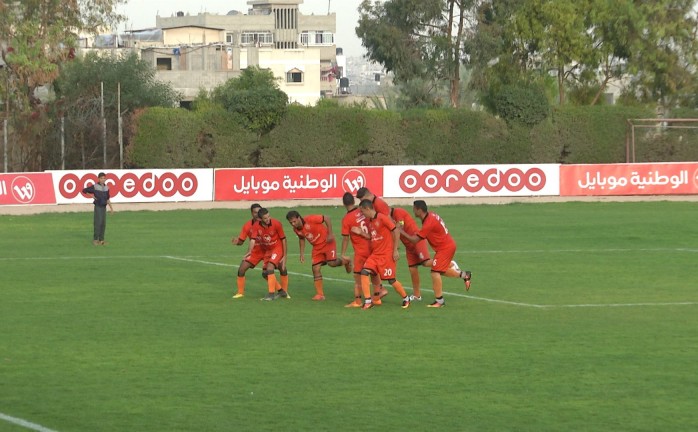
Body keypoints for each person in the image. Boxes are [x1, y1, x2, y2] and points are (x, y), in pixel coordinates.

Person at [398, 200, 472, 308]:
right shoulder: (431, 216)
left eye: (414, 209)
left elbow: (414, 240)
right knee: (439, 270)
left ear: (419, 210)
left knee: (435, 272)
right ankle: (465, 275)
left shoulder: (428, 222)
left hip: (445, 248)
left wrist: (401, 231)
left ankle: (440, 301)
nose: (413, 211)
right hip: (446, 246)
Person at [354, 199, 411, 310]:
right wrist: (361, 233)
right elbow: (373, 237)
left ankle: (406, 298)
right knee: (364, 272)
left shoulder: (382, 218)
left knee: (391, 280)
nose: (362, 214)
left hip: (386, 255)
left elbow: (396, 230)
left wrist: (395, 250)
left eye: (363, 212)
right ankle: (368, 301)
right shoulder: (370, 221)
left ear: (368, 208)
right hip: (375, 255)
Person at [286, 210, 351, 301]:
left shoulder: (310, 219)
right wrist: (302, 253)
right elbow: (301, 239)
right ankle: (320, 295)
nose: (293, 224)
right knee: (315, 268)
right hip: (317, 248)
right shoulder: (296, 230)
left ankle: (346, 261)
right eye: (291, 223)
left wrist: (330, 233)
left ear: (299, 217)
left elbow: (327, 218)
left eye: (294, 221)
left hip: (327, 242)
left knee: (332, 263)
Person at [231, 204, 289, 299]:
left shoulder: (274, 223)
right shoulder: (251, 226)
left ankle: (281, 292)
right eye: (255, 212)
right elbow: (246, 240)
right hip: (257, 251)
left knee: (280, 268)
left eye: (259, 212)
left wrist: (284, 255)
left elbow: (282, 238)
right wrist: (239, 243)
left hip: (270, 249)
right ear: (252, 213)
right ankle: (240, 293)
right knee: (243, 269)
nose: (257, 215)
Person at [340, 192, 384, 308]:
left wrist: (343, 253)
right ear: (354, 202)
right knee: (374, 273)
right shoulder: (363, 211)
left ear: (344, 203)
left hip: (361, 251)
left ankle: (358, 301)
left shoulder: (346, 219)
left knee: (357, 276)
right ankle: (377, 299)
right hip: (373, 246)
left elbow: (345, 238)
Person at [390, 206, 432, 301]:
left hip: (417, 241)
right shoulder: (389, 217)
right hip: (408, 246)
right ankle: (417, 295)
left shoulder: (398, 212)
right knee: (412, 269)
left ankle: (450, 264)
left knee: (426, 263)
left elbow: (399, 227)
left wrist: (395, 247)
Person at [255, 208, 290, 301]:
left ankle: (271, 294)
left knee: (270, 268)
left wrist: (284, 255)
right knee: (265, 273)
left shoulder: (276, 223)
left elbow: (283, 239)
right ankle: (281, 291)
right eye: (265, 218)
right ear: (260, 219)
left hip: (277, 248)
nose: (268, 219)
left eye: (269, 217)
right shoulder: (256, 226)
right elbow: (253, 239)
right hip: (268, 250)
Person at [82, 172, 114, 245]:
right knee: (98, 223)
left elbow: (108, 199)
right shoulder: (95, 186)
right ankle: (95, 239)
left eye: (104, 178)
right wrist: (91, 196)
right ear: (98, 179)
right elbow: (84, 190)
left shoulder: (106, 188)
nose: (103, 179)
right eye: (101, 178)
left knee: (103, 223)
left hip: (104, 207)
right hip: (98, 207)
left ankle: (101, 240)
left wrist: (111, 208)